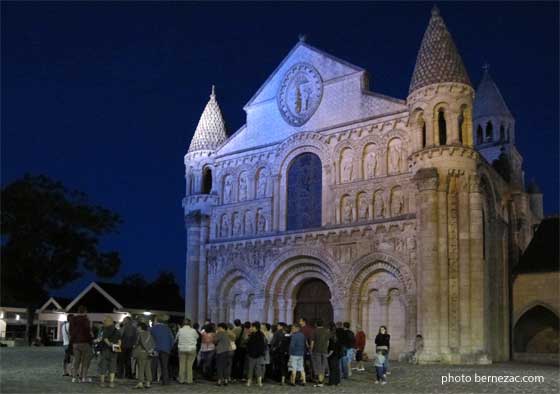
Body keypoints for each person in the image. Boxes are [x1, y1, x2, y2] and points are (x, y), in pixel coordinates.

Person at [70, 306, 93, 383]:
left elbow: (71, 331)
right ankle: (83, 377)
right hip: (85, 342)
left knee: (76, 360)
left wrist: (72, 341)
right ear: (85, 311)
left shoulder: (73, 319)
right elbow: (88, 331)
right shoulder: (86, 319)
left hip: (75, 343)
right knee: (85, 361)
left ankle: (74, 378)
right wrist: (91, 340)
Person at [98, 316, 122, 388]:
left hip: (106, 350)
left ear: (109, 321)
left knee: (103, 366)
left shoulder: (105, 329)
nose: (104, 322)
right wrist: (117, 346)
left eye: (105, 321)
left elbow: (105, 339)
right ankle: (111, 383)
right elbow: (120, 341)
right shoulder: (117, 330)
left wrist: (110, 345)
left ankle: (102, 382)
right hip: (115, 350)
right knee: (113, 366)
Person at [150, 315, 174, 385]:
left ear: (156, 321)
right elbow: (172, 339)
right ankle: (165, 381)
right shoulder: (168, 329)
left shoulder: (152, 328)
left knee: (153, 365)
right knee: (164, 366)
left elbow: (149, 339)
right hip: (165, 349)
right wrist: (170, 348)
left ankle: (152, 379)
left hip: (155, 349)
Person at [176, 318, 198, 384]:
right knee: (189, 365)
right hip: (191, 349)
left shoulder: (180, 330)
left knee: (182, 364)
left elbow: (176, 338)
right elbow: (197, 337)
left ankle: (181, 380)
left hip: (181, 349)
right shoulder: (193, 330)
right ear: (190, 323)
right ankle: (189, 380)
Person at [133, 322, 154, 389]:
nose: (137, 328)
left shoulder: (140, 334)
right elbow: (153, 343)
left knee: (141, 368)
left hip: (141, 353)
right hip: (149, 353)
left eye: (137, 327)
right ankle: (148, 383)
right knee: (148, 368)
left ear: (140, 327)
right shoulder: (149, 334)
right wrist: (150, 351)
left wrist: (134, 346)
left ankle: (140, 383)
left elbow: (138, 343)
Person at [245, 321, 266, 387]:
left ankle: (249, 381)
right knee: (258, 368)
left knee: (251, 368)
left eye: (252, 327)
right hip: (258, 355)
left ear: (255, 327)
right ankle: (259, 382)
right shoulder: (261, 334)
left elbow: (249, 344)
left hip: (253, 354)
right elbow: (263, 345)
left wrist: (249, 351)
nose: (251, 328)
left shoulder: (253, 335)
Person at [311, 319, 330, 387]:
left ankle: (320, 381)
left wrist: (311, 349)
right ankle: (321, 381)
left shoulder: (315, 331)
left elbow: (312, 342)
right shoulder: (326, 331)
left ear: (316, 324)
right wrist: (326, 348)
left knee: (318, 366)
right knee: (323, 366)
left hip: (316, 351)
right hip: (324, 351)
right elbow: (328, 342)